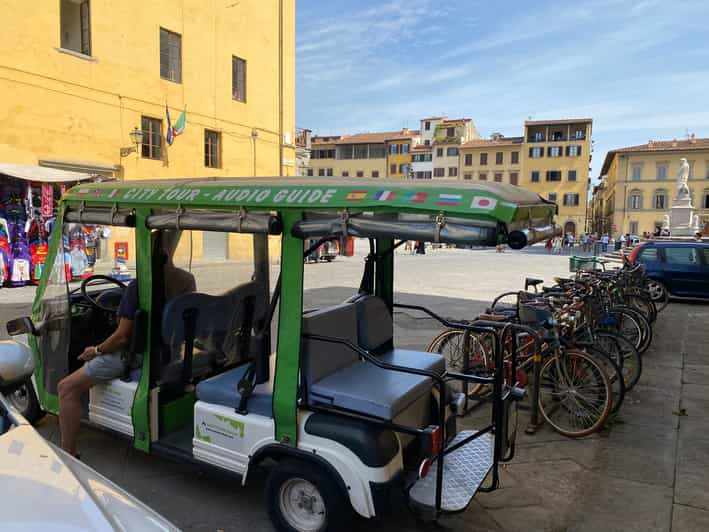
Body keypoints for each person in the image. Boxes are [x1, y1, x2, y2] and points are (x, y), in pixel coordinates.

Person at [57, 230, 195, 457]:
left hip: (136, 357)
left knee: (66, 388)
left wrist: (97, 350)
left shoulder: (139, 286)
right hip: (171, 352)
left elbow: (121, 337)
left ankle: (68, 454)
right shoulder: (186, 280)